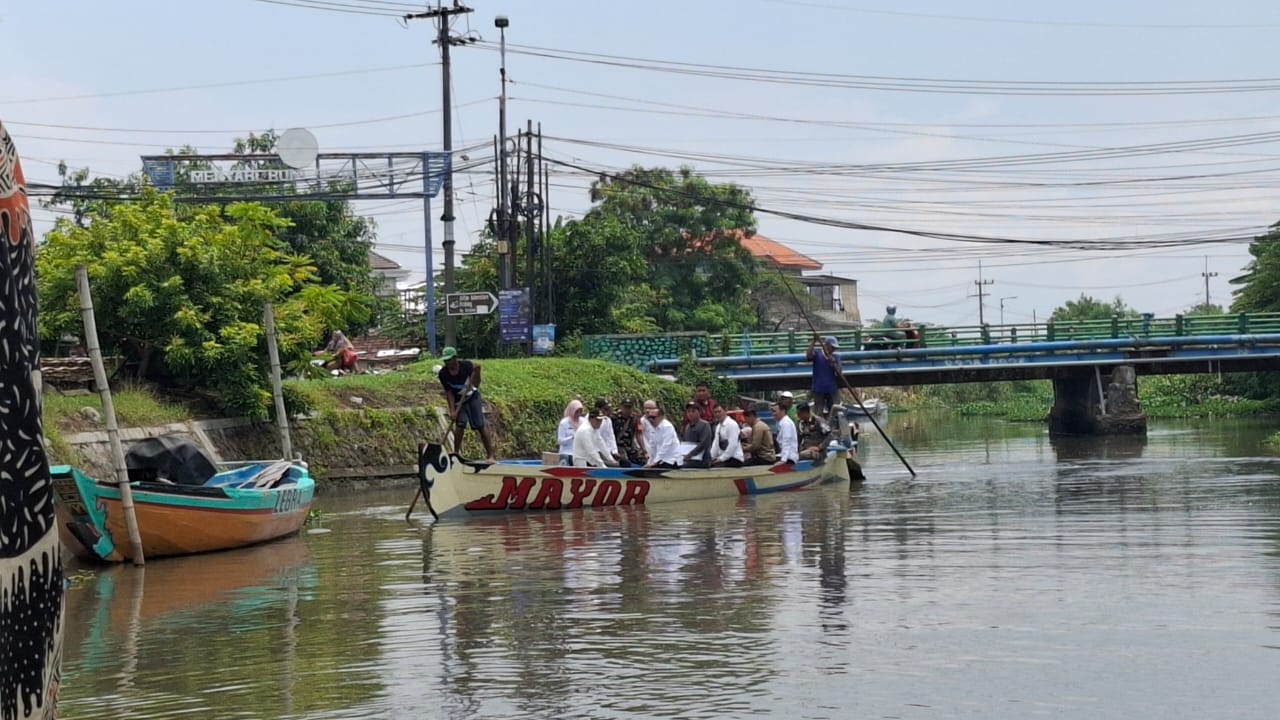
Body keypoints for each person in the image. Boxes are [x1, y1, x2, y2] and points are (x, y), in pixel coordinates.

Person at [437, 346, 497, 463]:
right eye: (445, 361)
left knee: (479, 425)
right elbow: (449, 393)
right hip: (459, 401)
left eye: (449, 360)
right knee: (460, 423)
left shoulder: (466, 366)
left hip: (471, 396)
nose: (447, 363)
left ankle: (491, 455)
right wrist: (452, 410)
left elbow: (476, 384)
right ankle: (456, 452)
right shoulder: (443, 373)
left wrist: (478, 372)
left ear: (455, 358)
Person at [806, 334, 842, 418]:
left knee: (835, 412)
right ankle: (819, 428)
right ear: (826, 345)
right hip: (818, 389)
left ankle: (835, 426)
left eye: (834, 348)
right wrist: (814, 341)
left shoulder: (836, 357)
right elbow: (808, 355)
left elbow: (839, 373)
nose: (833, 350)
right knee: (818, 412)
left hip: (831, 389)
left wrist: (834, 363)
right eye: (832, 347)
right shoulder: (817, 355)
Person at [612, 399, 645, 466]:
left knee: (642, 459)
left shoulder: (636, 419)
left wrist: (643, 449)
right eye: (625, 407)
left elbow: (639, 434)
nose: (627, 409)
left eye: (629, 407)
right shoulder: (613, 418)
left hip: (630, 446)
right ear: (621, 407)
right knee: (624, 461)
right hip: (617, 446)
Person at [681, 401, 714, 468]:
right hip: (690, 458)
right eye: (688, 411)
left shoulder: (705, 425)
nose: (690, 414)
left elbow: (703, 444)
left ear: (699, 412)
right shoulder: (687, 426)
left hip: (702, 460)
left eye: (693, 411)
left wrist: (690, 455)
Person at [557, 399, 584, 465]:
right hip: (566, 453)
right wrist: (571, 438)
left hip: (579, 454)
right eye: (576, 412)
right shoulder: (564, 423)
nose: (578, 414)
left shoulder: (583, 421)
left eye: (580, 412)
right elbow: (560, 441)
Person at [593, 397, 620, 464]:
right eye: (605, 409)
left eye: (609, 409)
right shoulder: (590, 420)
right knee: (614, 465)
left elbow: (611, 436)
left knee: (624, 462)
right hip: (595, 451)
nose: (608, 411)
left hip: (607, 451)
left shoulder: (607, 420)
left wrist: (614, 451)